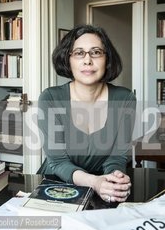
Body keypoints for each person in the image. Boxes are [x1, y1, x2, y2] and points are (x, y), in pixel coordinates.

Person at [37, 24, 136, 203]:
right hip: (55, 184)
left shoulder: (125, 98)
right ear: (68, 60)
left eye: (96, 52)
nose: (87, 60)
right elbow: (58, 162)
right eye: (79, 53)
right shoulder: (50, 98)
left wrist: (116, 179)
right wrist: (94, 182)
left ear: (107, 59)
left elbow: (118, 156)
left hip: (102, 186)